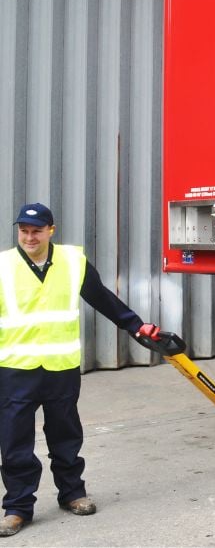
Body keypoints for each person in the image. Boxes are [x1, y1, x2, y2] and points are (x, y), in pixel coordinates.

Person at [0, 203, 163, 537]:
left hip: (61, 367)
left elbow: (101, 298)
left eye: (37, 231)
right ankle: (17, 508)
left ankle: (72, 493)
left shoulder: (73, 262)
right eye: (24, 231)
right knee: (15, 441)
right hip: (16, 369)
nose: (30, 237)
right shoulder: (3, 266)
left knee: (65, 435)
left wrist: (136, 326)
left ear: (51, 231)